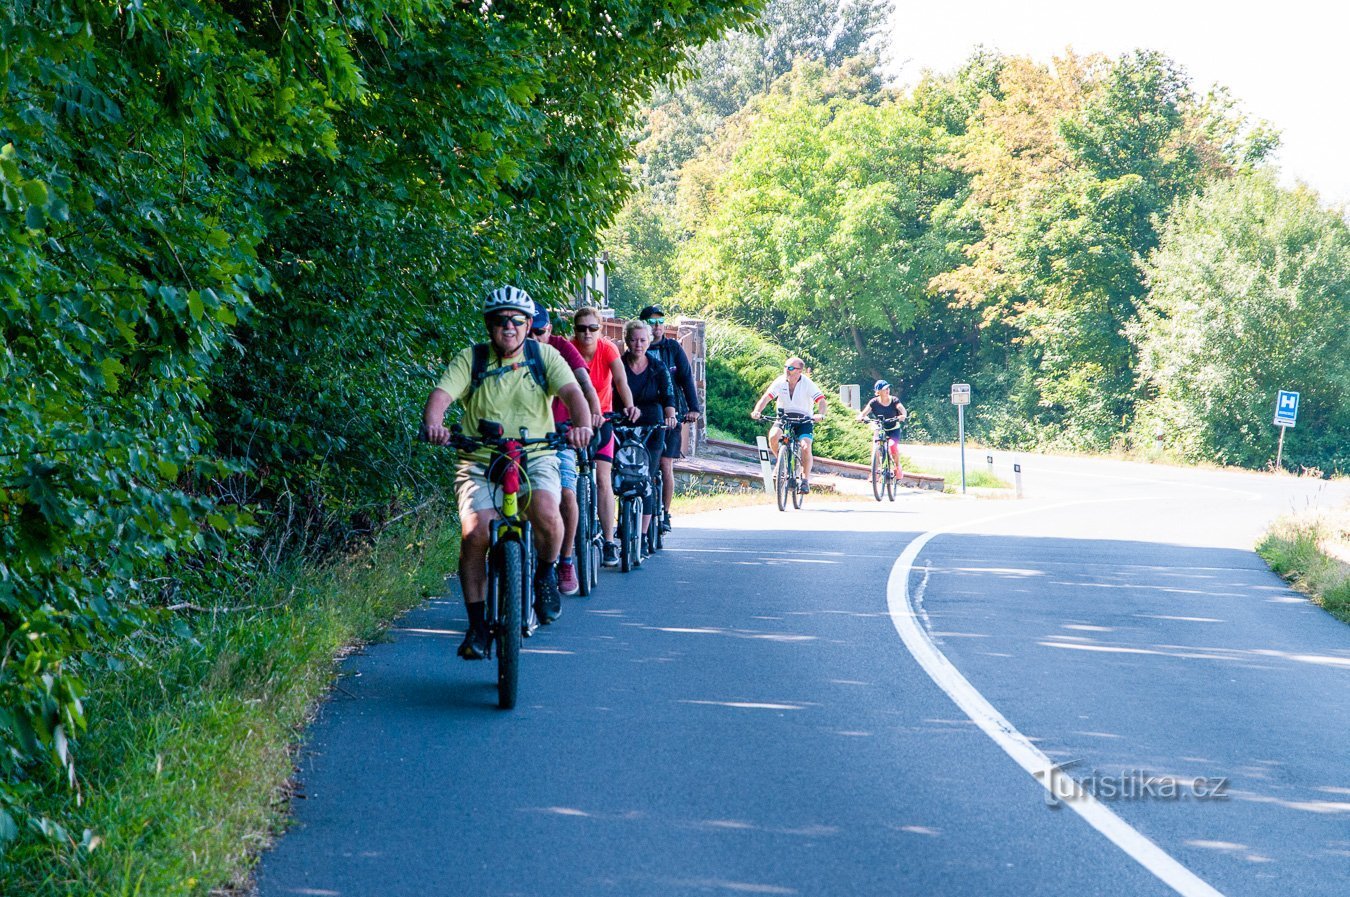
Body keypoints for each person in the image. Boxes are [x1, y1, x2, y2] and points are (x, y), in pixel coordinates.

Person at [421, 286, 593, 660]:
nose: (509, 327)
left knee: (549, 511)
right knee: (476, 532)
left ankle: (546, 575)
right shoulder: (472, 359)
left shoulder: (544, 356)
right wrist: (435, 424)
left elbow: (573, 394)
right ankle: (477, 625)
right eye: (501, 321)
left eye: (517, 320)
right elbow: (441, 396)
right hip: (480, 458)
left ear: (529, 324)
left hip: (536, 455)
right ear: (489, 325)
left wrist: (582, 426)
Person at [530, 302, 602, 597]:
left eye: (539, 332)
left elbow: (583, 385)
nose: (533, 339)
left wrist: (591, 418)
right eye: (528, 332)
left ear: (549, 330)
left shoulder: (561, 349)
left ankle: (567, 559)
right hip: (523, 439)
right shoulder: (507, 354)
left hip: (561, 435)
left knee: (568, 493)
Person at [570, 306, 638, 567]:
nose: (587, 333)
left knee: (602, 479)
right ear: (574, 330)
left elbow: (621, 382)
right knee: (565, 480)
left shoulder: (607, 349)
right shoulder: (568, 349)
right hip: (574, 421)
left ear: (600, 328)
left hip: (603, 419)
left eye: (592, 328)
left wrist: (629, 405)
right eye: (581, 328)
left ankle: (609, 541)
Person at [638, 305, 701, 534]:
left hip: (671, 414)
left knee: (665, 465)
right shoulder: (637, 346)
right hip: (644, 414)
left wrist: (693, 409)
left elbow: (686, 378)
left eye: (660, 321)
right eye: (651, 322)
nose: (656, 326)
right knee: (638, 464)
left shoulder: (672, 348)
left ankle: (664, 512)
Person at [621, 320, 677, 550]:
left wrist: (670, 415)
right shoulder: (619, 364)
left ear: (649, 341)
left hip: (652, 425)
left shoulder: (657, 366)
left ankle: (644, 534)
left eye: (643, 340)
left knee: (645, 477)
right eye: (633, 340)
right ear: (626, 341)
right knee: (623, 475)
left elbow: (668, 396)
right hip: (624, 422)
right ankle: (623, 520)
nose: (638, 344)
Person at [749, 357, 827, 492]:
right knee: (773, 436)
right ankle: (781, 461)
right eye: (785, 367)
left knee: (806, 446)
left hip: (804, 420)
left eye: (790, 368)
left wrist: (820, 414)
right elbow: (766, 398)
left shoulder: (807, 383)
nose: (787, 370)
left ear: (799, 371)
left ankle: (805, 480)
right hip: (784, 416)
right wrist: (757, 411)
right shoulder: (780, 381)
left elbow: (821, 401)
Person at [858, 379, 907, 481]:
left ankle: (897, 467)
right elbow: (864, 413)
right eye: (884, 389)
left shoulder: (894, 400)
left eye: (888, 388)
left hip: (893, 429)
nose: (887, 390)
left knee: (893, 446)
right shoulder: (874, 402)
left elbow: (902, 409)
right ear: (878, 392)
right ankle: (874, 473)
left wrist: (903, 415)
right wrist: (860, 417)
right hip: (880, 428)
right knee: (876, 448)